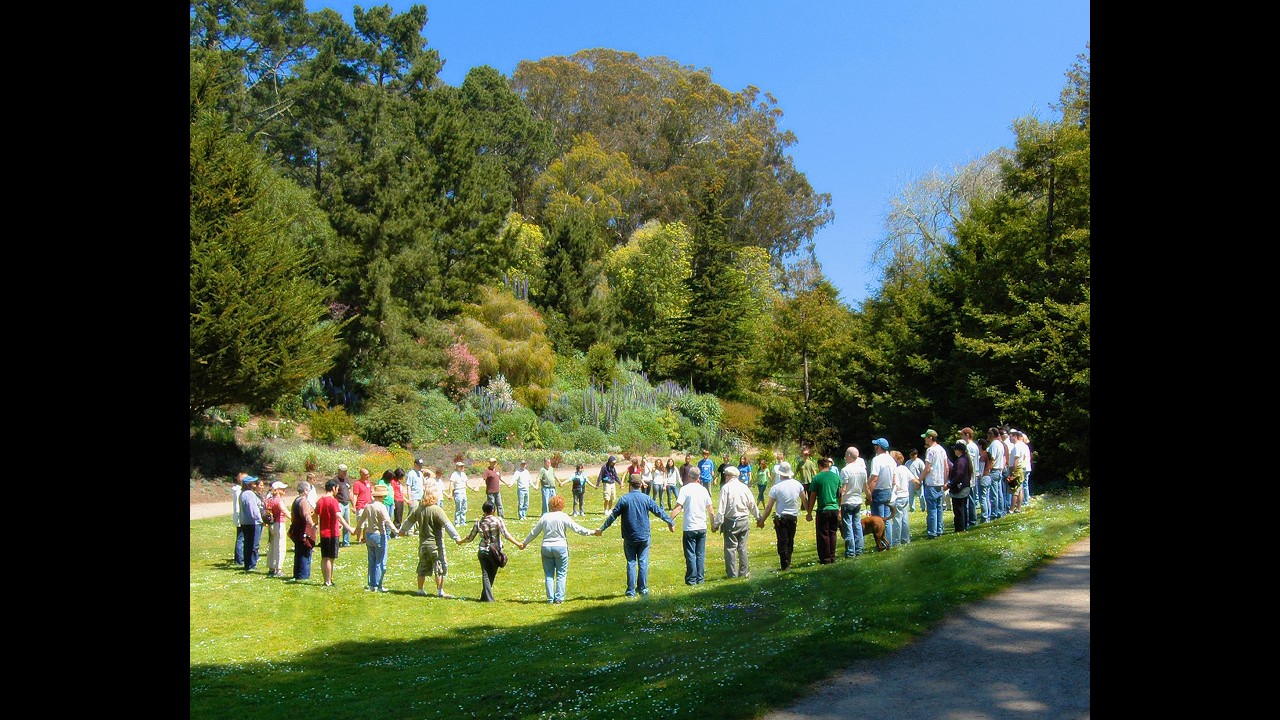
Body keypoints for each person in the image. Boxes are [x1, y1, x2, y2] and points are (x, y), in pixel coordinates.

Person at [595, 476, 675, 597]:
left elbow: (612, 517)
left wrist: (602, 529)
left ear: (630, 485)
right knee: (643, 562)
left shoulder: (624, 499)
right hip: (644, 536)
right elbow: (658, 511)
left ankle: (631, 590)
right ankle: (642, 589)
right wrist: (670, 522)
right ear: (641, 485)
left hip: (630, 537)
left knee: (631, 562)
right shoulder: (646, 498)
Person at [520, 494, 595, 603]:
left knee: (549, 575)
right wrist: (592, 532)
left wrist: (524, 543)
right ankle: (559, 599)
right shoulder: (563, 516)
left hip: (546, 547)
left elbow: (534, 532)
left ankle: (550, 599)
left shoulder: (545, 517)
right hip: (560, 546)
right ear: (562, 505)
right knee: (561, 573)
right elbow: (577, 529)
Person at [398, 486, 461, 598]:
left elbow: (408, 521)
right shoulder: (437, 510)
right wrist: (456, 538)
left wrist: (402, 531)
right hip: (435, 545)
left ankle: (420, 589)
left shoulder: (419, 509)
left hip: (423, 544)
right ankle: (440, 591)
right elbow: (447, 525)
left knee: (422, 567)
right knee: (438, 567)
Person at [458, 501, 521, 602]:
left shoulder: (478, 522)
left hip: (482, 551)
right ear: (493, 510)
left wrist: (460, 542)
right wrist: (518, 544)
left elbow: (470, 538)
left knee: (486, 574)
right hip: (494, 552)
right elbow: (506, 534)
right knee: (491, 574)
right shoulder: (497, 520)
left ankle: (484, 597)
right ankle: (489, 599)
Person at [759, 461, 806, 570]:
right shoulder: (797, 484)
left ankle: (785, 564)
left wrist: (762, 520)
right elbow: (804, 499)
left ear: (780, 474)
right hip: (793, 516)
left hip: (781, 516)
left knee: (782, 541)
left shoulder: (776, 487)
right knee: (790, 539)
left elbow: (769, 507)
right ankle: (788, 561)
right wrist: (808, 512)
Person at [717, 465, 761, 578]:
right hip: (744, 520)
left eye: (725, 475)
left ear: (728, 476)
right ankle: (744, 572)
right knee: (742, 547)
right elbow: (752, 504)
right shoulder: (744, 487)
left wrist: (717, 523)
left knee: (730, 548)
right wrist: (759, 518)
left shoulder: (725, 488)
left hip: (730, 521)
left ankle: (732, 574)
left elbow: (721, 508)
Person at [672, 464, 714, 585]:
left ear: (689, 476)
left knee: (690, 554)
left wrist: (671, 520)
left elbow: (678, 507)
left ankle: (691, 579)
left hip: (690, 527)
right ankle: (700, 578)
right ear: (699, 477)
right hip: (701, 526)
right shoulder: (703, 490)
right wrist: (713, 523)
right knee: (700, 554)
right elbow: (710, 508)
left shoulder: (685, 489)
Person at [316, 479, 356, 587]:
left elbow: (316, 515)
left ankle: (325, 579)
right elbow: (338, 516)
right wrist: (349, 528)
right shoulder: (333, 501)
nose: (337, 491)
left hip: (323, 533)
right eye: (337, 488)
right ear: (333, 488)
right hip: (332, 533)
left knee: (324, 557)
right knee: (330, 558)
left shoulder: (320, 500)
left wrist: (314, 525)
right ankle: (328, 581)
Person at [355, 484, 394, 592]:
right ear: (382, 496)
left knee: (371, 560)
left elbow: (361, 520)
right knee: (380, 561)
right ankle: (378, 584)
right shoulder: (381, 507)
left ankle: (371, 584)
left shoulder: (368, 506)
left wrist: (356, 530)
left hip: (369, 535)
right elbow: (387, 521)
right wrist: (396, 530)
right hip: (379, 534)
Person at [804, 457, 842, 564]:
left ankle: (825, 558)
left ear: (820, 466)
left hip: (823, 509)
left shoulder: (817, 478)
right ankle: (832, 556)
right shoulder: (836, 477)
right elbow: (839, 494)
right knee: (832, 533)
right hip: (834, 508)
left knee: (823, 534)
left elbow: (812, 496)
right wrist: (839, 508)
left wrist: (809, 512)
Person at [920, 430, 950, 538]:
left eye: (926, 437)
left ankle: (932, 532)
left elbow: (927, 468)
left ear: (931, 438)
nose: (925, 439)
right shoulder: (942, 450)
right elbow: (946, 467)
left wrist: (919, 479)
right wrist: (945, 482)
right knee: (939, 508)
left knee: (932, 509)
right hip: (940, 483)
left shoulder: (930, 450)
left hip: (931, 482)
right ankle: (939, 530)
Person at [838, 447, 867, 558]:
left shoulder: (845, 470)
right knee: (857, 525)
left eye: (846, 454)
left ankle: (850, 551)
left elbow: (843, 489)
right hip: (858, 501)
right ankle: (859, 549)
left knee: (848, 526)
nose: (845, 456)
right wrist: (869, 497)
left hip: (847, 501)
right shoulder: (862, 470)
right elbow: (866, 487)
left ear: (849, 455)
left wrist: (839, 504)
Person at [287, 480, 317, 582]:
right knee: (305, 552)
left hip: (297, 530)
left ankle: (297, 574)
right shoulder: (303, 501)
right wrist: (312, 524)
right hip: (303, 531)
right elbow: (306, 514)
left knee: (298, 553)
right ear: (305, 491)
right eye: (308, 489)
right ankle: (303, 575)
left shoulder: (296, 500)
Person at [238, 474, 265, 572]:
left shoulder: (242, 493)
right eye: (253, 482)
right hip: (253, 523)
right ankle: (252, 565)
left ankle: (247, 564)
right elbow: (253, 510)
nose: (255, 484)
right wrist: (260, 520)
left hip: (245, 522)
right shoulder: (249, 494)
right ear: (249, 484)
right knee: (254, 544)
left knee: (248, 544)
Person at [264, 480, 289, 577]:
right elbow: (284, 510)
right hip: (279, 524)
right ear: (278, 490)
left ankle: (271, 567)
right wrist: (293, 518)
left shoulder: (269, 500)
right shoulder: (278, 500)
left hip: (271, 525)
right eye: (282, 489)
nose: (284, 491)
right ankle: (278, 569)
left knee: (272, 546)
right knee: (280, 546)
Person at [947, 441, 972, 532]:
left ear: (959, 451)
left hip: (960, 488)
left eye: (955, 450)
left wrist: (950, 484)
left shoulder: (960, 461)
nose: (954, 451)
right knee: (963, 508)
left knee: (958, 509)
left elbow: (959, 474)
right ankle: (964, 526)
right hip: (965, 486)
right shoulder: (965, 459)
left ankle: (960, 528)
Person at [867, 438, 895, 520]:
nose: (874, 447)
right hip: (888, 490)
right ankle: (888, 533)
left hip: (878, 492)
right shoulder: (891, 459)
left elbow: (874, 478)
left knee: (878, 520)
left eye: (876, 445)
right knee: (887, 519)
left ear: (878, 447)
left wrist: (869, 493)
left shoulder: (877, 459)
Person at [888, 451, 913, 547]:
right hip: (906, 496)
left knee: (897, 519)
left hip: (898, 496)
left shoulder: (895, 470)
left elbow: (895, 483)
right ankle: (906, 539)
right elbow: (913, 479)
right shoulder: (904, 468)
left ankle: (896, 541)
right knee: (905, 518)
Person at [960, 427, 982, 525]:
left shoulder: (969, 447)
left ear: (967, 435)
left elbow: (970, 462)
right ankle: (972, 520)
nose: (961, 437)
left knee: (970, 499)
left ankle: (972, 520)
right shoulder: (975, 446)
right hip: (974, 474)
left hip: (971, 475)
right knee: (972, 497)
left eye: (962, 435)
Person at [985, 427, 1007, 520]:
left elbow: (992, 459)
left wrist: (987, 470)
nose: (988, 435)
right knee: (999, 492)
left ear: (993, 435)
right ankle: (1000, 511)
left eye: (989, 433)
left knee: (994, 494)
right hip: (999, 470)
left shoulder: (994, 445)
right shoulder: (1000, 444)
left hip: (994, 470)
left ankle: (994, 513)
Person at [351, 468, 374, 543]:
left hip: (368, 505)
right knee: (360, 523)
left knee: (367, 524)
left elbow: (371, 493)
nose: (368, 476)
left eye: (368, 474)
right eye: (366, 474)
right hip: (361, 506)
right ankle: (359, 539)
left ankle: (365, 538)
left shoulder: (368, 483)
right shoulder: (357, 483)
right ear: (361, 474)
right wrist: (354, 506)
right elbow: (355, 495)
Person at [333, 464, 354, 547]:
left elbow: (350, 492)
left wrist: (353, 504)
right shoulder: (335, 480)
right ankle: (336, 541)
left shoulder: (346, 480)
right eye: (343, 471)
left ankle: (346, 542)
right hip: (339, 503)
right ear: (339, 471)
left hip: (346, 503)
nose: (345, 473)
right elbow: (333, 493)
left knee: (347, 523)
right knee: (338, 524)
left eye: (346, 471)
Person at [1008, 429, 1028, 513]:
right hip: (1020, 468)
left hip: (1017, 468)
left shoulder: (1017, 446)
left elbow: (1016, 459)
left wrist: (1013, 472)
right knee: (1019, 489)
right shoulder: (1020, 445)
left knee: (1015, 489)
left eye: (1011, 436)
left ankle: (1012, 509)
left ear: (1015, 436)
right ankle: (1018, 508)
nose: (1009, 438)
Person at [405, 458, 427, 530]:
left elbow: (424, 484)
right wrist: (409, 498)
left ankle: (417, 529)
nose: (421, 467)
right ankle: (409, 530)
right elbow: (408, 486)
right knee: (412, 513)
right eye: (419, 465)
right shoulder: (411, 473)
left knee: (419, 513)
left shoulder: (420, 473)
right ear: (415, 464)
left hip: (420, 496)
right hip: (414, 496)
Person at [975, 438, 993, 524]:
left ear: (980, 446)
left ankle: (984, 517)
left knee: (982, 499)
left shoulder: (983, 456)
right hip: (989, 477)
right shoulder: (988, 454)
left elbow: (981, 470)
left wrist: (978, 477)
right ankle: (988, 515)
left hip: (984, 478)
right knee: (987, 498)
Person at [449, 460, 470, 526]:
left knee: (464, 506)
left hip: (463, 491)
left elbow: (467, 483)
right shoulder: (454, 474)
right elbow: (451, 484)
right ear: (457, 467)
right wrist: (450, 493)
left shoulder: (463, 474)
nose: (462, 467)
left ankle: (463, 521)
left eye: (462, 466)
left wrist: (473, 488)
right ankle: (457, 522)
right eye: (460, 466)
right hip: (458, 491)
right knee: (459, 507)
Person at [232, 472, 246, 565]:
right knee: (241, 538)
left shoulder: (237, 490)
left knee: (240, 537)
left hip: (239, 516)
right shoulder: (239, 491)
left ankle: (239, 557)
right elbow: (238, 506)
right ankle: (239, 559)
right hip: (240, 516)